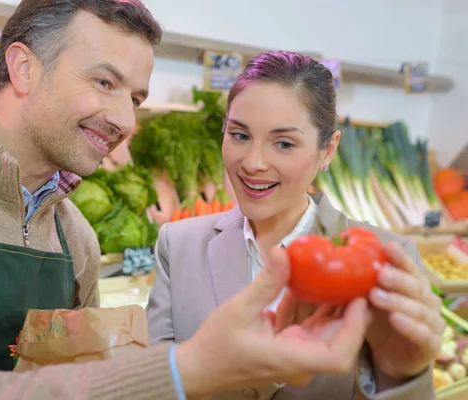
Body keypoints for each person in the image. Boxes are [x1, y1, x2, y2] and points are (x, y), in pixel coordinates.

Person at [0, 2, 384, 399]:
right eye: (104, 82)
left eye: (134, 98)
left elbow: (78, 378)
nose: (126, 121)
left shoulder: (76, 238)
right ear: (23, 68)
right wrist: (188, 369)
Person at [146, 50, 443, 400]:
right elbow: (154, 383)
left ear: (328, 151)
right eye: (239, 135)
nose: (253, 163)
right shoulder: (178, 244)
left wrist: (403, 375)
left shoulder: (384, 258)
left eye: (284, 143)